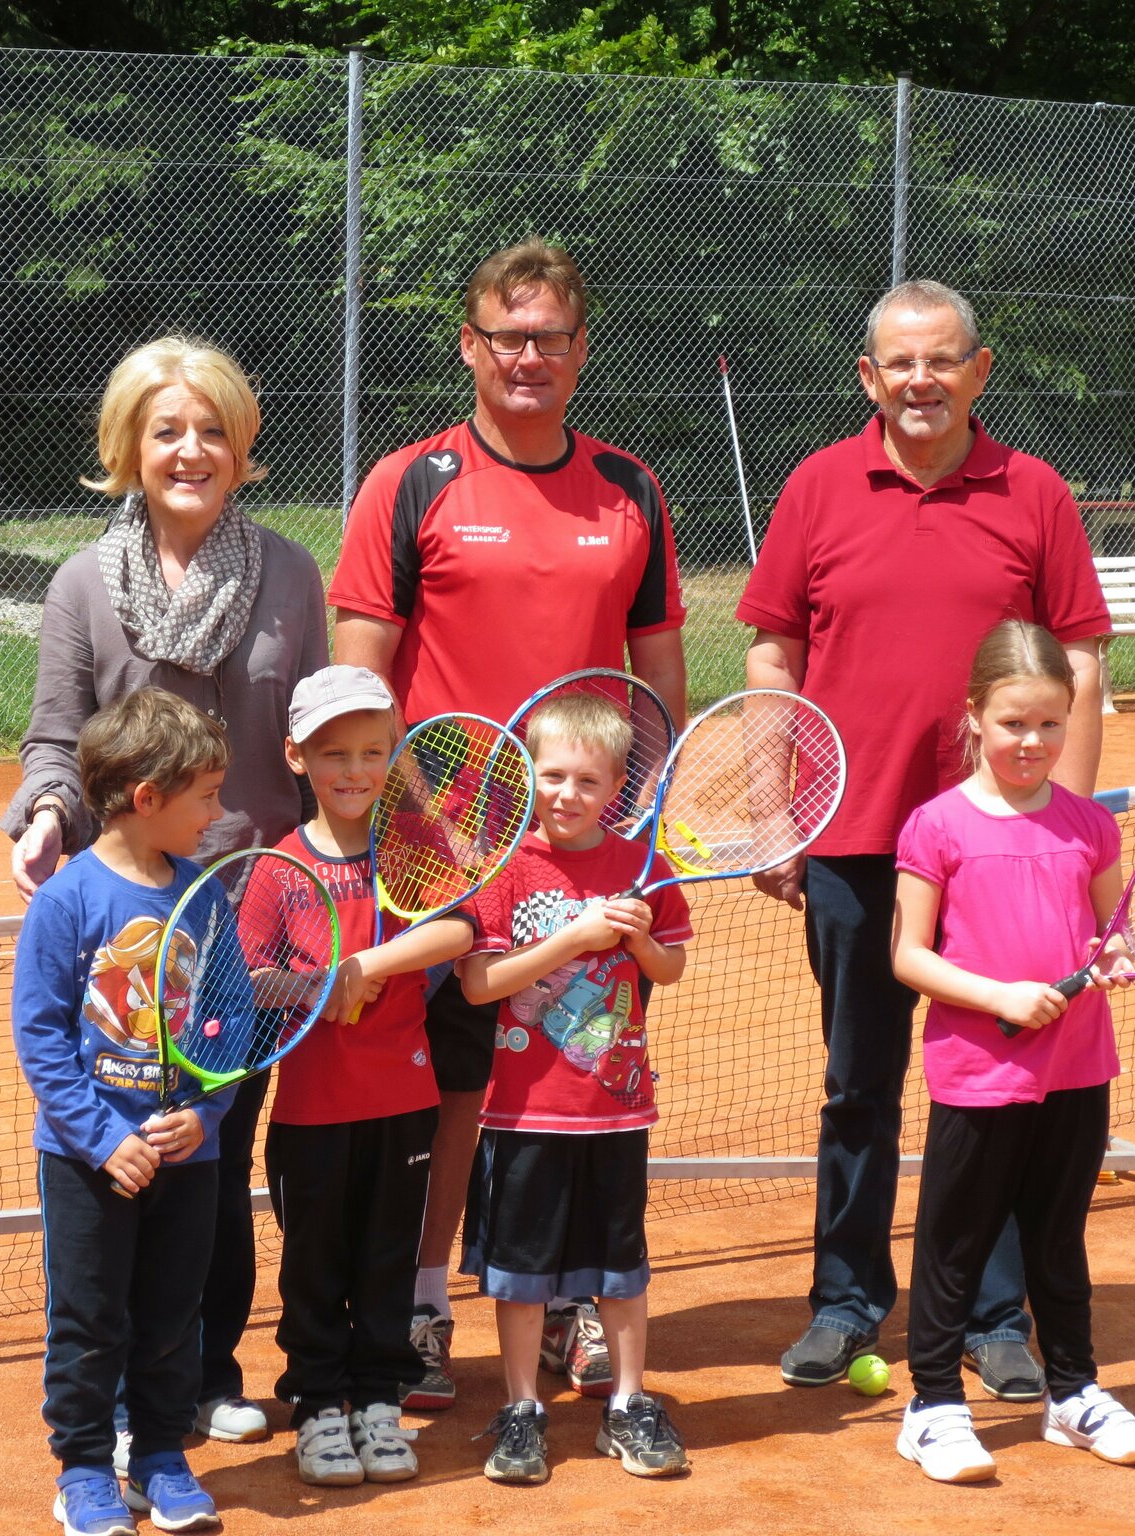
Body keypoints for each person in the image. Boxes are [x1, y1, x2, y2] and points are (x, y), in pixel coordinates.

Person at [736, 279, 1112, 1398]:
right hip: (852, 845)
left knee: (998, 1096)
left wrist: (1070, 829)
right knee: (859, 1085)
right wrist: (776, 812)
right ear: (867, 376)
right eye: (898, 363)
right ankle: (844, 1301)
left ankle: (993, 1319)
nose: (919, 381)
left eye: (941, 361)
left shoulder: (1033, 492)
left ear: (977, 371)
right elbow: (768, 657)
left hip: (1002, 850)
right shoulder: (815, 485)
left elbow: (1078, 661)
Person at [329, 239, 688, 1409]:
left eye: (549, 338)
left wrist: (641, 816)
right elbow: (357, 675)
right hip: (435, 852)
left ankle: (573, 1306)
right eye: (505, 336)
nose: (527, 357)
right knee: (440, 1086)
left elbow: (657, 682)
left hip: (577, 850)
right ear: (468, 348)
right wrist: (397, 826)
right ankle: (424, 1306)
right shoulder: (409, 483)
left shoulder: (630, 492)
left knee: (573, 1064)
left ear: (579, 353)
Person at [3, 336, 330, 1446]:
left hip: (252, 915)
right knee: (117, 1145)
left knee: (216, 1151)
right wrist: (47, 816)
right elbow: (56, 740)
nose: (190, 451)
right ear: (128, 449)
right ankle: (118, 1396)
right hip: (129, 929)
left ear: (242, 448)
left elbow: (311, 738)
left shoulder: (290, 572)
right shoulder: (82, 585)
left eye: (211, 431)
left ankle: (203, 1370)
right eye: (166, 431)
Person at [891, 620, 1135, 1482]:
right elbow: (909, 954)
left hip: (1078, 1066)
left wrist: (1113, 961)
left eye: (1050, 724)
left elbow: (1109, 934)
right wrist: (1000, 995)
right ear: (975, 716)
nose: (1032, 742)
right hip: (979, 1069)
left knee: (1058, 1236)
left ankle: (1073, 1394)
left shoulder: (1088, 826)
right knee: (955, 1240)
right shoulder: (936, 826)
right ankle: (931, 1405)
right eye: (1013, 723)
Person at [12, 687, 237, 1536]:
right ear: (148, 799)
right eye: (206, 795)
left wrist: (205, 1118)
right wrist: (106, 1140)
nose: (217, 814)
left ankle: (159, 1459)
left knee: (176, 1317)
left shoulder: (206, 898)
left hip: (188, 1161)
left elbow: (230, 1026)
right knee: (89, 1319)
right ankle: (82, 1469)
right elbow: (41, 1040)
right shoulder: (67, 901)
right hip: (86, 1162)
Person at [456, 694, 691, 1484]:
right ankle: (521, 1409)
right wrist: (574, 938)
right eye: (551, 775)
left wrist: (638, 938)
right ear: (528, 775)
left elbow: (672, 967)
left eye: (587, 781)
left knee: (621, 1270)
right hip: (523, 1115)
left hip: (616, 1111)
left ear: (617, 786)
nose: (566, 793)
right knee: (520, 1278)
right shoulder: (505, 869)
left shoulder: (643, 863)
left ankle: (627, 1405)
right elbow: (480, 984)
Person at [257, 666, 476, 1488]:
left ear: (395, 755)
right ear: (295, 757)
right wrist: (323, 985)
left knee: (388, 1257)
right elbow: (247, 977)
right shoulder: (280, 866)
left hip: (406, 1102)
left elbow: (456, 929)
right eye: (333, 754)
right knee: (316, 1264)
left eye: (373, 752)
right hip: (312, 1112)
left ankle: (378, 1400)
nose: (354, 771)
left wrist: (371, 962)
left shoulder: (412, 851)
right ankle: (317, 1404)